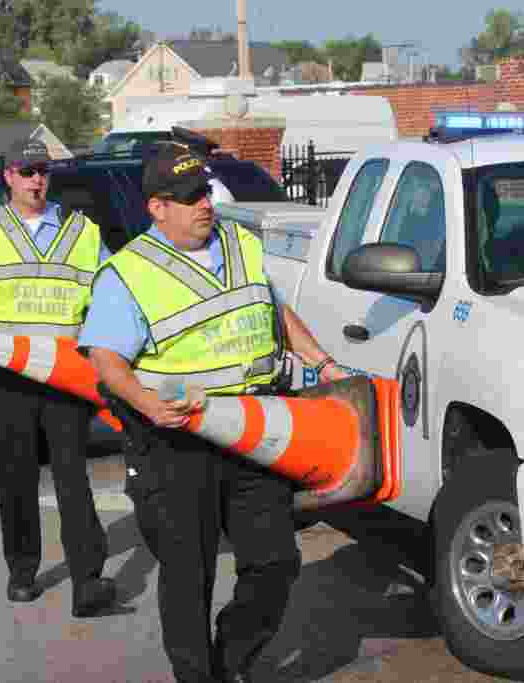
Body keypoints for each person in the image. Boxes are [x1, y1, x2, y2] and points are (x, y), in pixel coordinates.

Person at [79, 141, 348, 683]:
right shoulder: (128, 273)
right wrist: (148, 406)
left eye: (203, 191)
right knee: (188, 573)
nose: (203, 203)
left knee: (275, 563)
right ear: (156, 207)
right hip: (177, 442)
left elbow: (274, 310)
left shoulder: (240, 243)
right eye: (187, 197)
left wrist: (323, 363)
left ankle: (231, 658)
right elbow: (107, 361)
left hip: (255, 430)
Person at [0, 138, 117, 616]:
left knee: (71, 477)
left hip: (65, 374)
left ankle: (87, 580)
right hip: (7, 375)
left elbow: (109, 297)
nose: (35, 179)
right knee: (15, 475)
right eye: (25, 171)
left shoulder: (82, 232)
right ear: (8, 178)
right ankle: (22, 571)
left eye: (41, 170)